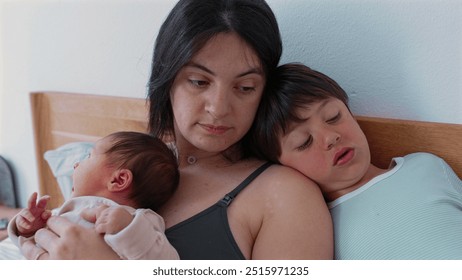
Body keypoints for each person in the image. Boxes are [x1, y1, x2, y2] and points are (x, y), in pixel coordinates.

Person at [20, 0, 333, 260]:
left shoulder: (284, 195)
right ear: (166, 77)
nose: (219, 107)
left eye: (245, 87)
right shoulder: (129, 164)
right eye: (199, 81)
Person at [251, 62, 462, 259]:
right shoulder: (315, 230)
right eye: (304, 141)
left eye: (334, 116)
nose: (331, 137)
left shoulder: (425, 166)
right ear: (280, 168)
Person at [10, 131, 180, 260]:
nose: (76, 164)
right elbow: (38, 245)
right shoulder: (66, 210)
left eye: (88, 156)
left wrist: (127, 227)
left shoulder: (137, 220)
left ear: (119, 180)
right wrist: (28, 230)